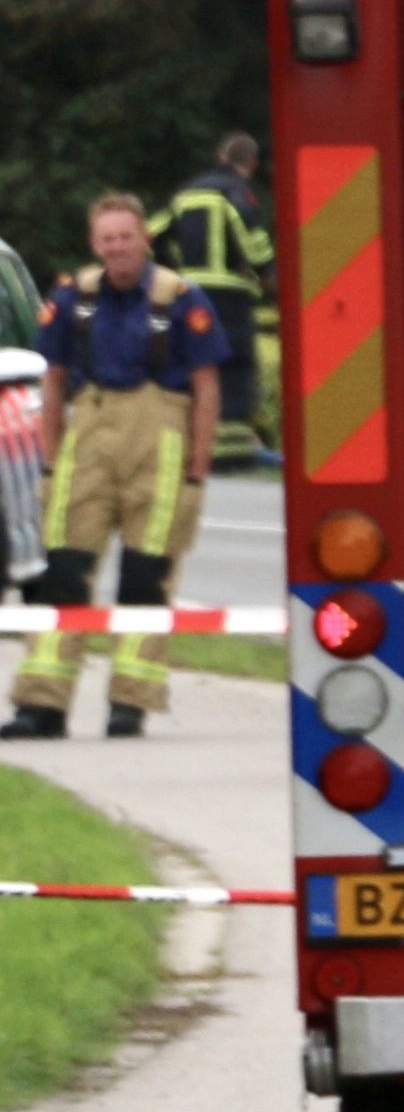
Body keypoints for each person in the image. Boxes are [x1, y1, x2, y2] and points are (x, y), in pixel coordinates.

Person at [11, 194, 226, 740]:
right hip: (89, 441)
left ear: (143, 240)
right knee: (62, 574)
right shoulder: (73, 297)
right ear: (95, 244)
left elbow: (206, 387)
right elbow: (53, 379)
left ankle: (129, 704)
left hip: (162, 446)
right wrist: (52, 457)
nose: (118, 248)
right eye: (107, 239)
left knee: (145, 580)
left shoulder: (180, 298)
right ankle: (43, 705)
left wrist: (198, 471)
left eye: (126, 237)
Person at [150, 130, 275, 467]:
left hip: (190, 296)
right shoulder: (238, 193)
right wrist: (268, 272)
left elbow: (153, 235)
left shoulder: (186, 194)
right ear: (251, 163)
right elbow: (254, 246)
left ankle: (197, 447)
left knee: (197, 366)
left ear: (221, 157)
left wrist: (171, 271)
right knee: (233, 369)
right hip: (230, 299)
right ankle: (232, 455)